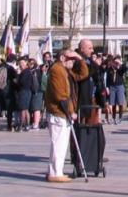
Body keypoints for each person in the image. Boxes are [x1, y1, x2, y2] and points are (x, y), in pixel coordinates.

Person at [45, 48, 88, 183]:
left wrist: (79, 58)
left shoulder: (66, 71)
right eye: (71, 59)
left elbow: (83, 74)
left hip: (63, 113)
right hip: (59, 112)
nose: (73, 62)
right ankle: (55, 173)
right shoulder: (57, 70)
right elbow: (61, 95)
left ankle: (57, 171)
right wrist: (70, 112)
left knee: (61, 144)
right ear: (62, 58)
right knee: (59, 144)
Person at [75, 39, 99, 124]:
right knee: (80, 123)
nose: (92, 51)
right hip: (82, 98)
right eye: (90, 48)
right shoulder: (76, 61)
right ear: (82, 49)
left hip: (92, 97)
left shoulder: (90, 61)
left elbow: (97, 75)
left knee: (93, 124)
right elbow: (85, 74)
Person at [106, 56, 128, 124]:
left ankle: (120, 117)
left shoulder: (120, 69)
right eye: (115, 62)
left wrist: (120, 63)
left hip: (119, 86)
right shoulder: (110, 69)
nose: (116, 63)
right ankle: (113, 117)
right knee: (113, 103)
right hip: (112, 87)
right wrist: (107, 87)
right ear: (112, 62)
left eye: (117, 62)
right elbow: (107, 79)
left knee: (120, 103)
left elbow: (125, 68)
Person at [16, 56, 35, 131]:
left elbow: (22, 82)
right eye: (20, 63)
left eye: (22, 63)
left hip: (24, 91)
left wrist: (17, 77)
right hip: (27, 91)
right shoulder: (28, 71)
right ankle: (27, 125)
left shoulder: (25, 72)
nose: (20, 65)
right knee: (26, 109)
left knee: (23, 109)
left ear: (25, 64)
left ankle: (21, 125)